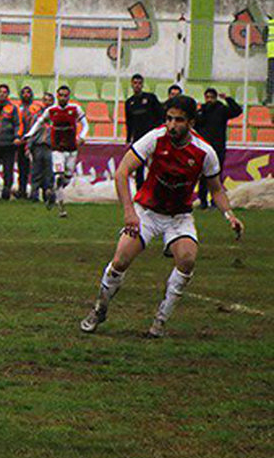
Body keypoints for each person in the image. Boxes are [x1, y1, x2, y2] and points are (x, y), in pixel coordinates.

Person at [80, 95, 244, 338]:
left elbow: (216, 189)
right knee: (120, 261)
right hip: (147, 212)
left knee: (187, 260)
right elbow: (122, 172)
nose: (171, 125)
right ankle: (99, 309)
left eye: (178, 120)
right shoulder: (155, 138)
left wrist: (229, 215)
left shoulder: (204, 152)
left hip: (179, 217)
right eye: (169, 118)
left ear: (191, 122)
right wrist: (129, 212)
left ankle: (159, 322)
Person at [23, 84, 88, 218]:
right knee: (58, 176)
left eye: (65, 95)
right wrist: (29, 134)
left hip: (71, 149)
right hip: (57, 149)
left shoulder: (75, 109)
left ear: (69, 97)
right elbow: (39, 122)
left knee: (67, 177)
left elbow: (85, 124)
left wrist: (82, 136)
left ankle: (52, 191)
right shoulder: (51, 111)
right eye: (61, 95)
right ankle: (61, 209)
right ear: (57, 96)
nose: (63, 98)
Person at [195, 88, 243, 209]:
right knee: (202, 176)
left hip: (218, 147)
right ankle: (203, 201)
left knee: (216, 175)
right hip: (203, 148)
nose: (209, 100)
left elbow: (237, 111)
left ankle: (215, 201)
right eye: (207, 97)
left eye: (212, 97)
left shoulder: (221, 110)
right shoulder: (201, 111)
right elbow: (195, 125)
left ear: (216, 98)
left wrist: (228, 99)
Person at [124, 74, 163, 194]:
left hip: (152, 138)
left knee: (155, 166)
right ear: (131, 84)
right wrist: (128, 138)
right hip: (138, 139)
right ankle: (140, 193)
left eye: (139, 83)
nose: (137, 85)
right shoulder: (129, 102)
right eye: (135, 83)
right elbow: (129, 122)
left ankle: (155, 192)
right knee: (138, 167)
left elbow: (160, 115)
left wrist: (159, 133)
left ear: (142, 84)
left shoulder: (150, 98)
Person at [13, 85, 42, 199]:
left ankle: (35, 192)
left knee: (36, 168)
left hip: (34, 141)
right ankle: (22, 190)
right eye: (24, 93)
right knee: (22, 168)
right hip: (21, 141)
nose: (26, 95)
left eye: (28, 92)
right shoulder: (17, 107)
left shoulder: (37, 108)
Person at [28, 92, 55, 202]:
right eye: (45, 100)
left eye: (49, 100)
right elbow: (32, 132)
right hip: (38, 146)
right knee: (36, 172)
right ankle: (34, 195)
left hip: (51, 147)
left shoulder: (57, 116)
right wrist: (28, 146)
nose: (47, 102)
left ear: (52, 102)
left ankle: (47, 195)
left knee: (49, 172)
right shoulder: (37, 116)